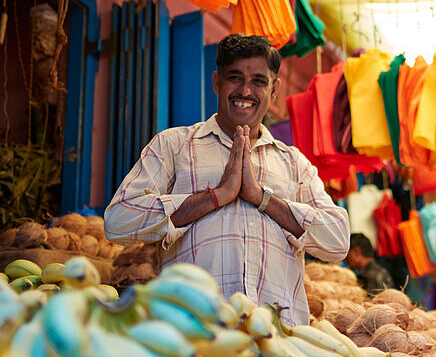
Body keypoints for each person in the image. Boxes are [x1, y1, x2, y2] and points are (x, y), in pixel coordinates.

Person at [104, 34, 350, 325]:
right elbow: (118, 221)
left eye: (259, 81)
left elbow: (338, 241)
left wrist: (261, 197)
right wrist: (216, 196)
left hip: (279, 346)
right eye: (235, 78)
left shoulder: (294, 163)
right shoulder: (174, 145)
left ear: (274, 91)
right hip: (195, 339)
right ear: (216, 82)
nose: (245, 90)